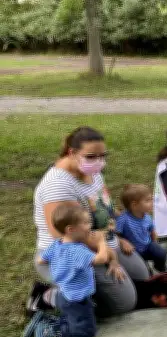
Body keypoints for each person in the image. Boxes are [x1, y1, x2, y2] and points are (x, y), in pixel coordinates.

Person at [29, 126, 149, 319]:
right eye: (92, 156)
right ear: (72, 153)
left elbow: (104, 210)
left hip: (98, 241)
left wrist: (119, 236)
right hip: (69, 254)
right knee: (124, 304)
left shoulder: (93, 173)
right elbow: (66, 238)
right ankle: (47, 296)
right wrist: (109, 255)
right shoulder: (58, 186)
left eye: (103, 156)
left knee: (143, 279)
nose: (99, 162)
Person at [23, 205, 110, 337]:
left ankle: (44, 319)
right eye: (86, 223)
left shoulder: (57, 244)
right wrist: (101, 242)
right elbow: (101, 259)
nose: (90, 226)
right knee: (86, 332)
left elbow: (40, 259)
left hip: (64, 295)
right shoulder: (77, 251)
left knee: (72, 318)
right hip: (76, 299)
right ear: (71, 229)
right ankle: (50, 331)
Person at [116, 184, 167, 272]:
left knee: (162, 253)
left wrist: (155, 244)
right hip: (133, 252)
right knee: (144, 272)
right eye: (148, 200)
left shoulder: (147, 217)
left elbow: (152, 231)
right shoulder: (123, 220)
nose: (152, 202)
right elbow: (115, 235)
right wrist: (122, 241)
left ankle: (159, 267)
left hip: (147, 246)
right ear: (134, 205)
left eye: (151, 199)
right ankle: (145, 268)